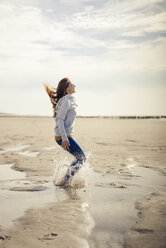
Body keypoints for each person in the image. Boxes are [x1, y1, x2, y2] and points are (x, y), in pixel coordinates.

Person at [44, 78, 86, 184]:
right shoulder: (66, 101)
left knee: (80, 158)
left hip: (66, 135)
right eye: (72, 84)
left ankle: (66, 179)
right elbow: (59, 120)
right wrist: (64, 138)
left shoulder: (70, 100)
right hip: (63, 137)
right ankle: (66, 180)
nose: (75, 85)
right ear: (67, 89)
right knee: (82, 158)